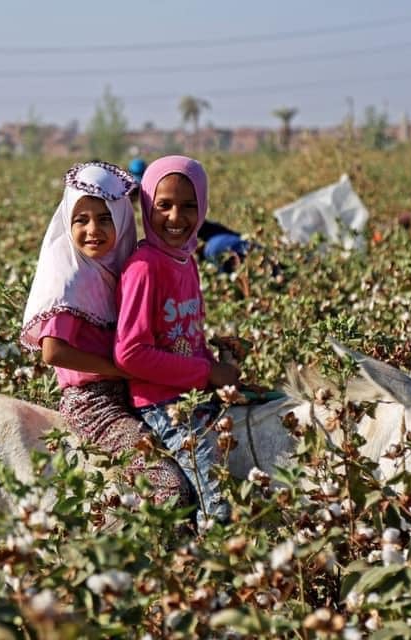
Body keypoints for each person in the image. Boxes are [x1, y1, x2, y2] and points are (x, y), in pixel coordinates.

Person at [21, 161, 193, 512]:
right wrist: (122, 369)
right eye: (81, 220)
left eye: (104, 219)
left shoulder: (119, 267)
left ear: (122, 219)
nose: (92, 230)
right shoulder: (69, 276)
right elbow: (53, 352)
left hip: (130, 391)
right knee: (168, 484)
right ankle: (155, 546)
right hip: (92, 403)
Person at [114, 155, 241, 528]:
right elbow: (130, 354)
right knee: (218, 500)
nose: (175, 217)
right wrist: (206, 373)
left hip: (190, 394)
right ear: (146, 206)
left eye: (188, 206)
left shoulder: (186, 260)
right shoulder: (144, 267)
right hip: (160, 403)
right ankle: (209, 556)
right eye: (164, 205)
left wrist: (218, 369)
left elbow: (188, 338)